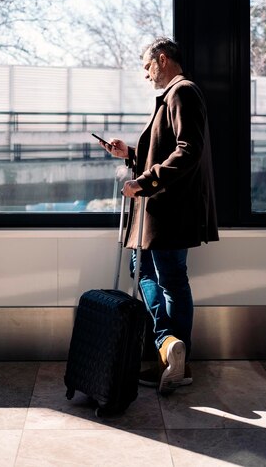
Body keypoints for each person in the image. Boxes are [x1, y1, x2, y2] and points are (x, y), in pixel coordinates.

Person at [99, 37, 218, 395]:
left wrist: (143, 182)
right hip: (166, 209)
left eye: (147, 65)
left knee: (169, 279)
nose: (145, 72)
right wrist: (131, 154)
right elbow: (168, 150)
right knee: (153, 273)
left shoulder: (182, 92)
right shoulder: (177, 95)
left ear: (162, 60)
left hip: (169, 210)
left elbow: (188, 150)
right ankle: (171, 351)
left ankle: (170, 349)